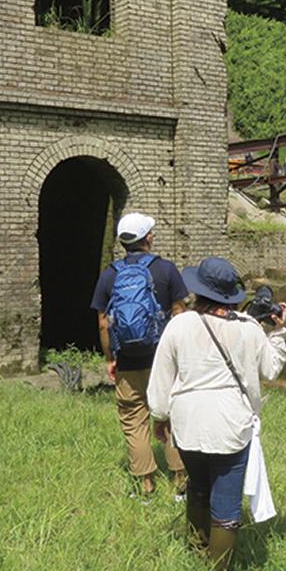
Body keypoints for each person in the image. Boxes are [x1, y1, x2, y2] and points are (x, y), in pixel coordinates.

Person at [146, 257, 286, 571]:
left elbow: (161, 379)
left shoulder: (179, 324)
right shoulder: (250, 328)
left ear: (198, 291)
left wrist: (160, 416)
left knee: (197, 485)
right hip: (231, 424)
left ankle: (197, 552)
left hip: (187, 423)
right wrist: (278, 334)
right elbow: (271, 369)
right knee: (225, 501)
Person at [91, 212, 188, 499]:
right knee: (171, 416)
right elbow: (179, 313)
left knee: (134, 419)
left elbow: (103, 323)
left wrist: (111, 358)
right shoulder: (167, 270)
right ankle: (180, 483)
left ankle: (146, 486)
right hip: (165, 361)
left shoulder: (109, 274)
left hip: (129, 361)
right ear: (148, 238)